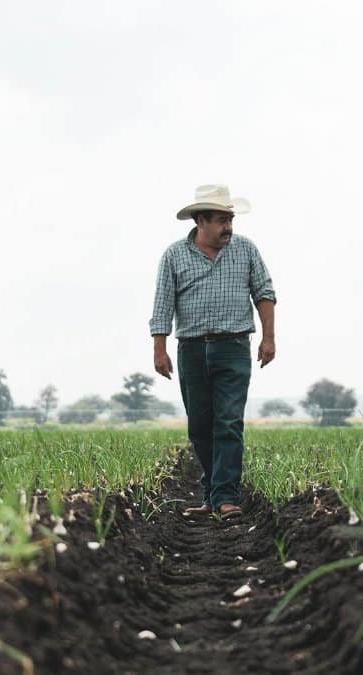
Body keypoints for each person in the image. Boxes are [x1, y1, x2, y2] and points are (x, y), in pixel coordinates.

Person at [149, 185, 276, 520]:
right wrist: (159, 349)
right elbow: (163, 304)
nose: (228, 227)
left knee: (229, 422)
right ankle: (212, 493)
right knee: (199, 426)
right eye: (221, 220)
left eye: (230, 219)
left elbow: (264, 292)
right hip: (191, 350)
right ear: (200, 220)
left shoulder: (246, 250)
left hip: (233, 347)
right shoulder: (174, 255)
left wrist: (268, 338)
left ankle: (226, 497)